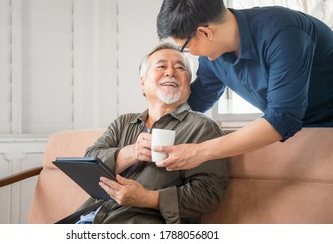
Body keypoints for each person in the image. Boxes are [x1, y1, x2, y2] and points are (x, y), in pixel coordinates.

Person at [155, 0, 333, 171]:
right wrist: (152, 127)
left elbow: (283, 117)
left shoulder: (283, 33)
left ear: (205, 33)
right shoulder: (213, 58)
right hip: (301, 135)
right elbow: (196, 101)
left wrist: (199, 152)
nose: (192, 53)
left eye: (186, 47)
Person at [57, 43, 229, 224]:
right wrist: (130, 153)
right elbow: (90, 161)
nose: (171, 72)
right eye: (161, 66)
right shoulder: (123, 123)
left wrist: (148, 198)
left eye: (180, 68)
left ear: (188, 84)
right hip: (90, 218)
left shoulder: (203, 128)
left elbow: (209, 194)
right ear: (143, 82)